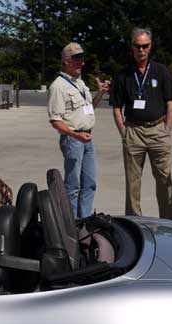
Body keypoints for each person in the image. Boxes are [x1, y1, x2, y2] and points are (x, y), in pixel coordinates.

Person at [111, 27, 172, 220]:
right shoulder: (123, 75)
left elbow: (170, 102)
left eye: (145, 46)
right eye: (137, 46)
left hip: (158, 130)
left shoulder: (161, 71)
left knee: (165, 180)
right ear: (132, 47)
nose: (141, 50)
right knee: (133, 183)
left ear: (150, 47)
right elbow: (116, 107)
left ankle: (170, 224)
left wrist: (167, 129)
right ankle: (135, 223)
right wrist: (124, 131)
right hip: (133, 132)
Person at [47, 42, 110, 218]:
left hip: (87, 137)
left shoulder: (80, 83)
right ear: (66, 61)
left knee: (89, 183)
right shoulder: (58, 86)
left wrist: (100, 94)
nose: (81, 63)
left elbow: (89, 109)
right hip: (73, 140)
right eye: (76, 59)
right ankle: (72, 223)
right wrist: (75, 135)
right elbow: (55, 121)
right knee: (73, 186)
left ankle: (85, 221)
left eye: (82, 59)